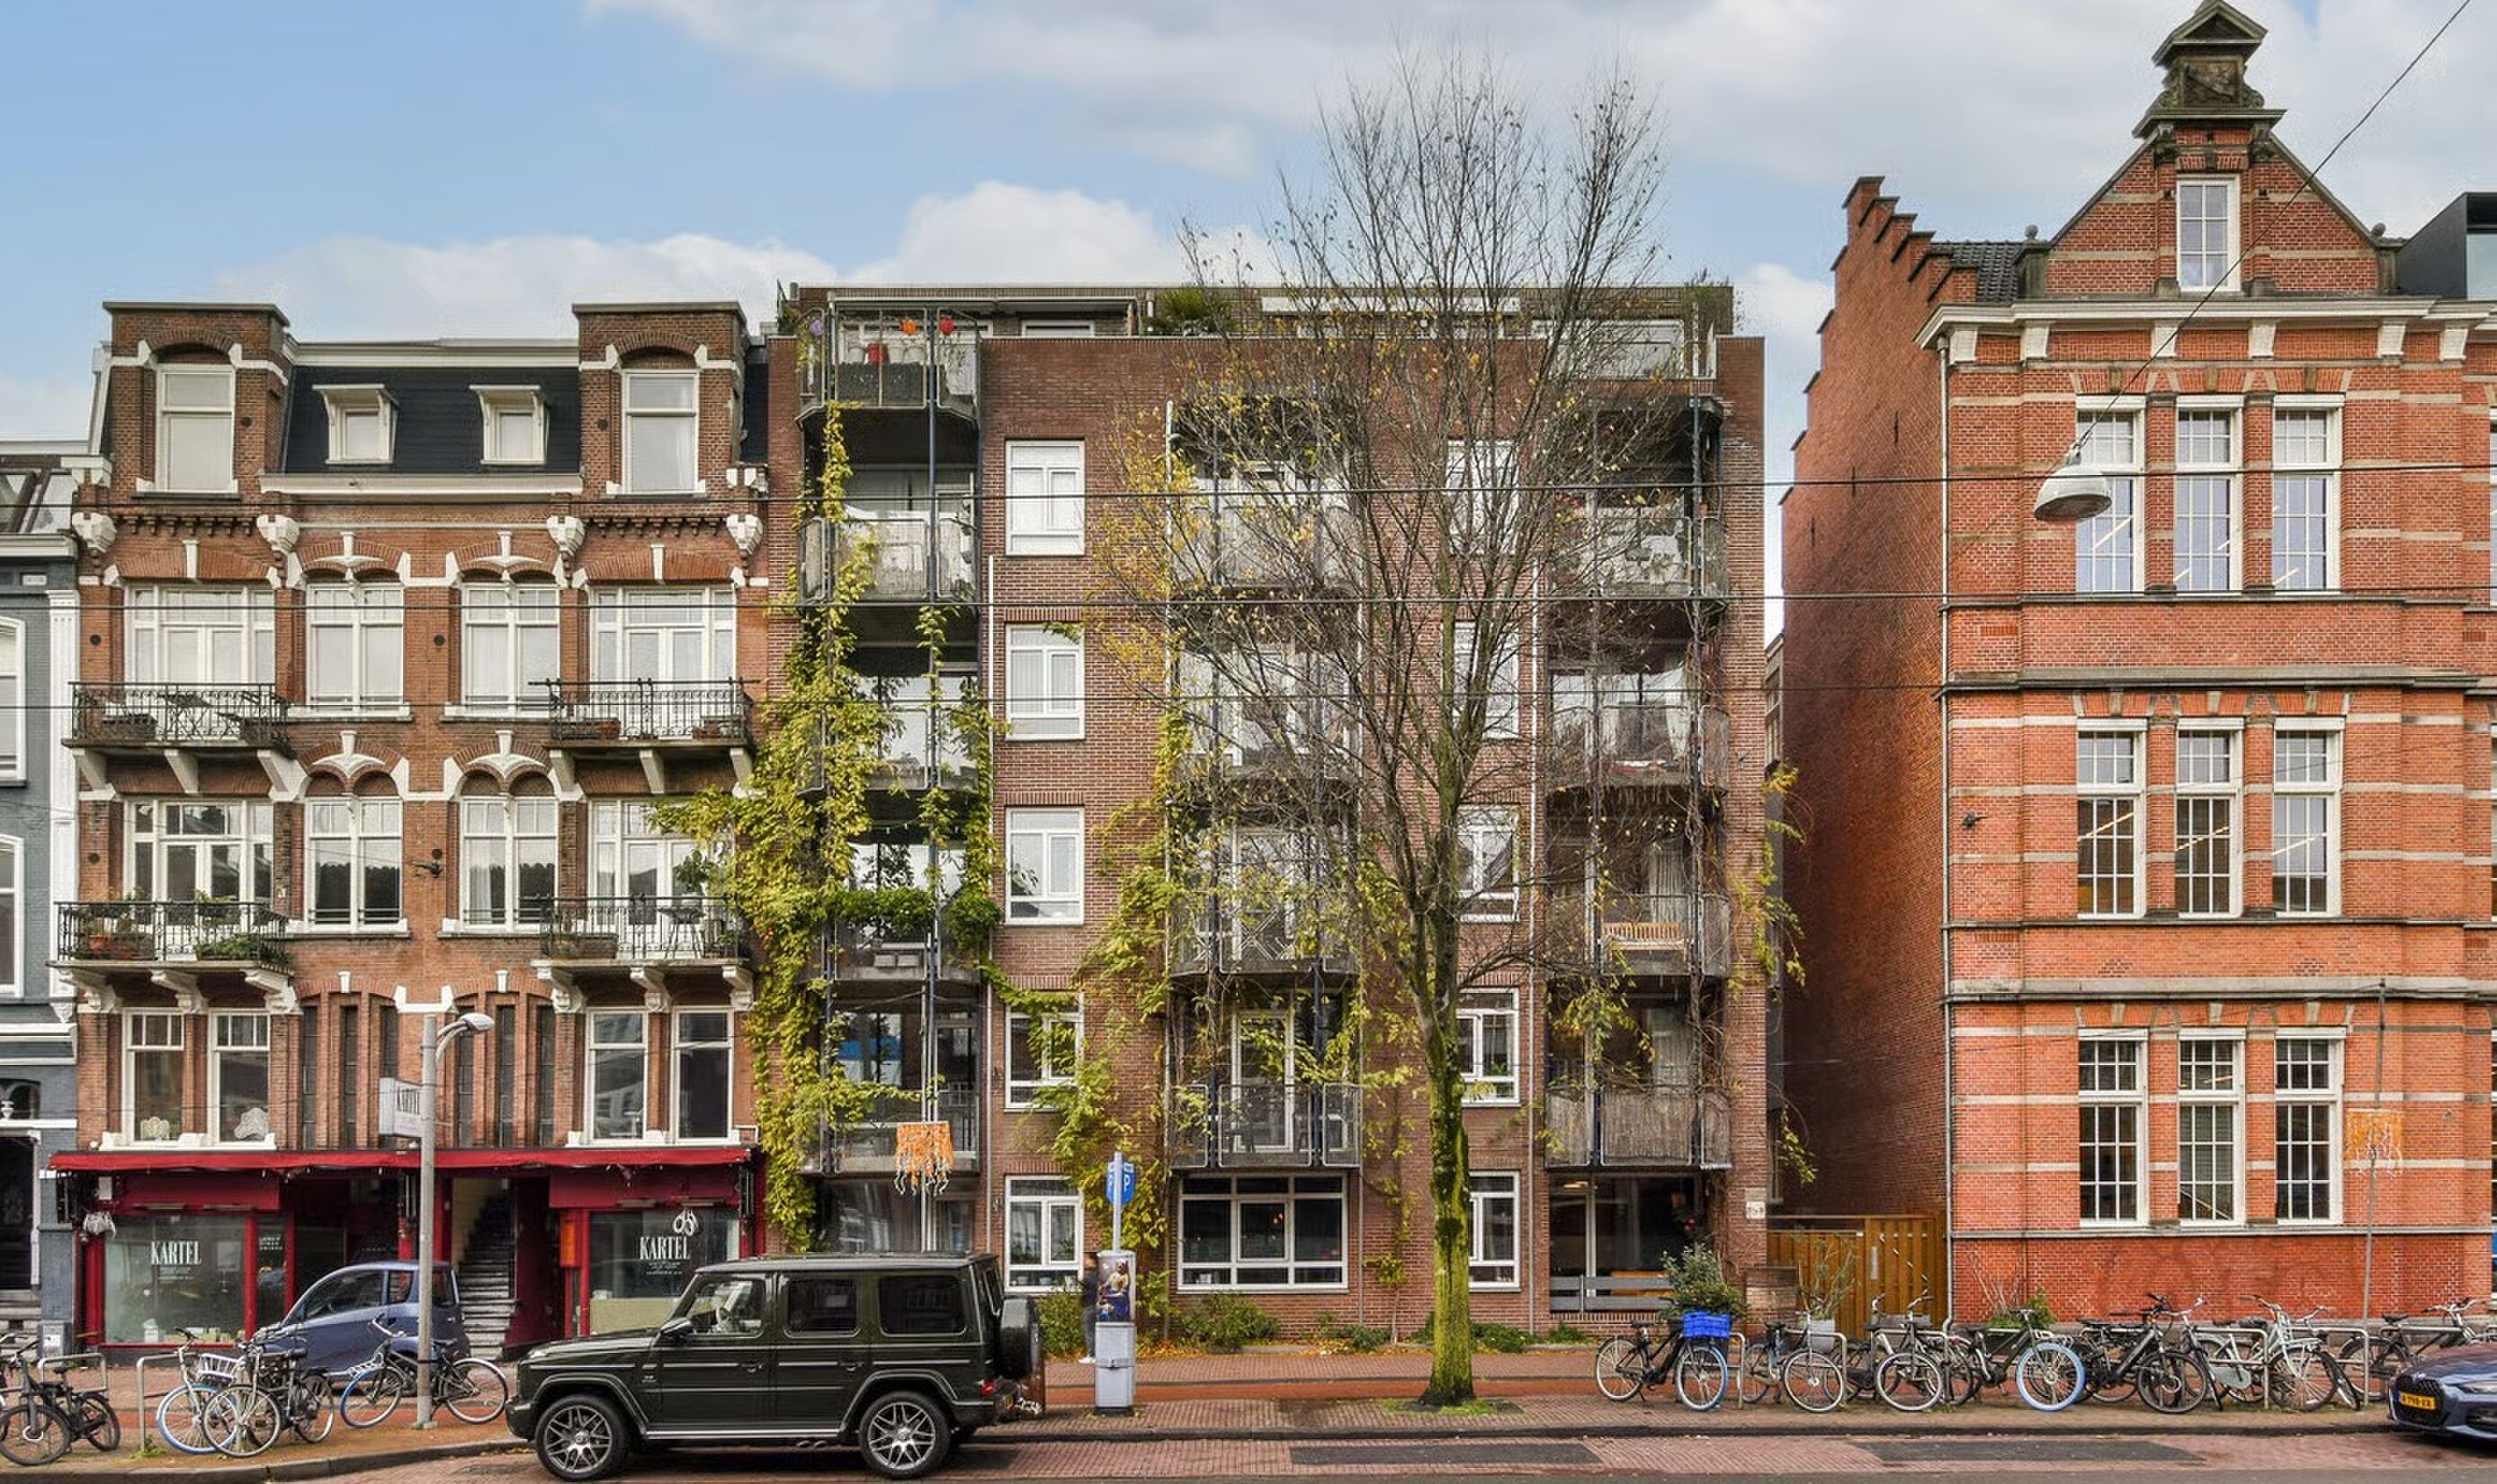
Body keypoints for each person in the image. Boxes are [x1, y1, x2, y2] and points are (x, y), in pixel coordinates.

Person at [1078, 1253, 1101, 1363]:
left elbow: (1090, 1288)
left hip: (1090, 1305)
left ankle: (1092, 1355)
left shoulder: (1091, 1275)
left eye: (1086, 1259)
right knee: (1093, 1330)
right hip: (1094, 1305)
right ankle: (1094, 1353)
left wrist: (1082, 1282)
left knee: (1089, 1330)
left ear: (1092, 1261)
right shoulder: (1098, 1273)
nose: (1083, 1261)